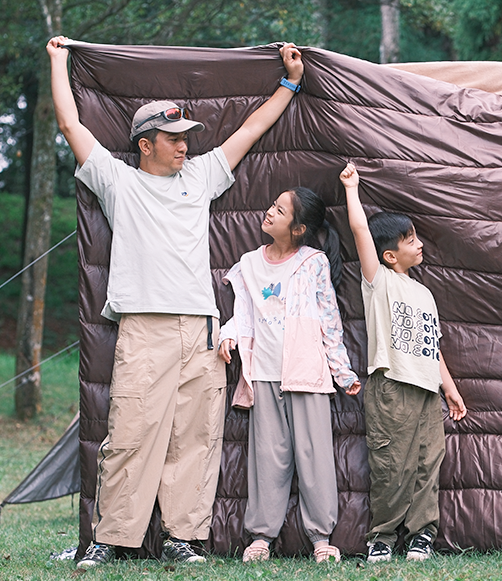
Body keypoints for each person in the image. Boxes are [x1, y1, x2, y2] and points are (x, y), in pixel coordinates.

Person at [45, 35, 307, 569]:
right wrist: (58, 61)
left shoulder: (202, 176)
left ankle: (182, 539)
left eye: (186, 137)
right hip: (144, 328)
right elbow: (72, 126)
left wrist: (290, 84)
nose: (184, 145)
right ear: (145, 143)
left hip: (202, 331)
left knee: (196, 437)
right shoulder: (117, 181)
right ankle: (111, 539)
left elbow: (252, 129)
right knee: (132, 432)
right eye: (172, 138)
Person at [216, 187, 359, 564]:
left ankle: (321, 538)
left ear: (297, 229)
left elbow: (330, 319)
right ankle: (261, 537)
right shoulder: (248, 263)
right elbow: (242, 313)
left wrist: (342, 372)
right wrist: (228, 335)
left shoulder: (313, 262)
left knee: (314, 457)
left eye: (279, 210)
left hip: (306, 373)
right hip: (263, 373)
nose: (269, 212)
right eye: (272, 205)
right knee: (267, 457)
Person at [338, 161, 468, 563]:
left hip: (427, 390)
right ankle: (383, 536)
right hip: (391, 386)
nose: (419, 244)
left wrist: (450, 387)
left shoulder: (423, 293)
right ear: (391, 255)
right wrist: (351, 188)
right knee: (392, 464)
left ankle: (422, 536)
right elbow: (361, 231)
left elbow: (433, 346)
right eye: (410, 240)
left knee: (429, 464)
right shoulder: (380, 282)